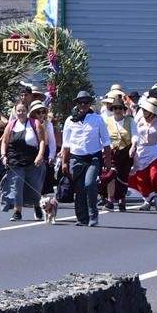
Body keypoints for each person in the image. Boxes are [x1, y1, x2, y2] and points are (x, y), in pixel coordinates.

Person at [57, 90, 108, 227]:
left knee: (89, 184)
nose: (83, 105)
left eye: (86, 102)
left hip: (93, 158)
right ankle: (82, 218)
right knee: (79, 188)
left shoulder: (97, 119)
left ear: (90, 104)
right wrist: (64, 163)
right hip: (76, 158)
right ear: (77, 104)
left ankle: (93, 216)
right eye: (81, 102)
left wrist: (108, 162)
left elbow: (106, 142)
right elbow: (66, 144)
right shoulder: (70, 120)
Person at [0, 94, 49, 222]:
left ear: (27, 111)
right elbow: (4, 142)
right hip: (15, 161)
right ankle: (17, 212)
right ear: (15, 112)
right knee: (17, 186)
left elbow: (42, 141)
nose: (21, 113)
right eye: (19, 111)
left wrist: (40, 155)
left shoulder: (35, 123)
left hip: (33, 161)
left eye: (23, 111)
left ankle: (37, 205)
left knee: (34, 187)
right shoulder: (11, 125)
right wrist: (3, 155)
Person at [129, 95, 157, 208]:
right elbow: (134, 134)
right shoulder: (138, 120)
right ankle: (147, 199)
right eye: (144, 109)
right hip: (141, 151)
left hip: (156, 151)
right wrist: (133, 146)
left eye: (147, 110)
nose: (144, 112)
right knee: (141, 178)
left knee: (154, 175)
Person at [100, 92, 133, 212]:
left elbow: (135, 135)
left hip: (126, 151)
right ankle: (110, 200)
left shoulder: (130, 121)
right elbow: (102, 136)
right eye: (115, 108)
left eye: (119, 108)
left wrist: (134, 146)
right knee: (111, 173)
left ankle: (121, 198)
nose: (117, 110)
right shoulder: (106, 121)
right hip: (111, 152)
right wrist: (105, 147)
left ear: (123, 109)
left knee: (123, 176)